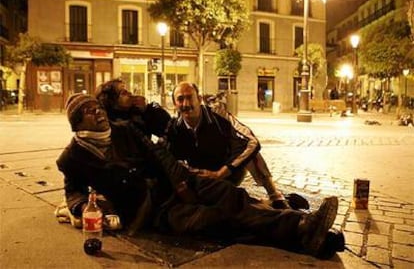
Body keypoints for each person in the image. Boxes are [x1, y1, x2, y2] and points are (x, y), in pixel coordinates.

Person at [57, 93, 344, 259]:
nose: (98, 113)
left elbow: (161, 155)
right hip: (151, 209)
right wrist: (83, 208)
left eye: (97, 106)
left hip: (180, 180)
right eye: (88, 111)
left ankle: (304, 226)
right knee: (216, 220)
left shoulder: (124, 129)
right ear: (77, 123)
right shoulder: (72, 158)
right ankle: (305, 233)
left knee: (233, 197)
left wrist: (183, 184)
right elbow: (73, 192)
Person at [167, 82, 308, 209]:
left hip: (229, 172)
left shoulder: (218, 115)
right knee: (229, 204)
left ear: (199, 99)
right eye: (180, 99)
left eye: (189, 97)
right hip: (205, 181)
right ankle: (274, 205)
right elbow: (169, 159)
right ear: (174, 104)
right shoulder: (174, 128)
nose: (185, 104)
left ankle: (275, 197)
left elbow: (252, 141)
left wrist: (221, 173)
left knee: (249, 150)